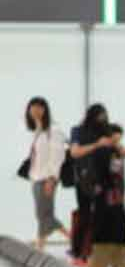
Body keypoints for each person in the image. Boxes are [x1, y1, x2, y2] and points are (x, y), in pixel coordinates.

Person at [67, 104, 118, 264]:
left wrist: (115, 145)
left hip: (106, 179)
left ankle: (97, 253)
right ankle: (79, 252)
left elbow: (119, 153)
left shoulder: (107, 132)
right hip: (85, 178)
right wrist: (97, 145)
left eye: (103, 116)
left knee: (103, 217)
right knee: (85, 214)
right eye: (98, 116)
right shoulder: (78, 130)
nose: (101, 119)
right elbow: (75, 152)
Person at [85, 125, 125, 267]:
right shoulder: (107, 154)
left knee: (106, 261)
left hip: (107, 219)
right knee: (114, 260)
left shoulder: (105, 154)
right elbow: (112, 177)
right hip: (111, 218)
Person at [23, 97, 68, 251]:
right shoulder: (37, 130)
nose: (35, 110)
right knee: (44, 215)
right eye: (32, 107)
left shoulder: (53, 130)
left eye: (38, 107)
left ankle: (40, 249)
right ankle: (74, 242)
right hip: (36, 177)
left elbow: (57, 156)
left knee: (44, 216)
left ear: (45, 110)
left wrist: (52, 179)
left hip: (46, 178)